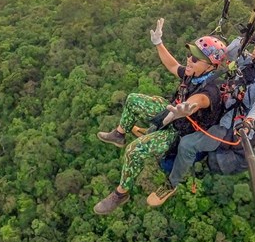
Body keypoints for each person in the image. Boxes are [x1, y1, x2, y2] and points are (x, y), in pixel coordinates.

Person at [93, 18, 227, 215]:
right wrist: (159, 44)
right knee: (132, 99)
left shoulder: (211, 89)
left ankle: (121, 193)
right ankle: (118, 134)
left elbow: (200, 100)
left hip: (178, 131)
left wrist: (187, 109)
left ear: (211, 66)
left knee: (134, 151)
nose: (189, 60)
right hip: (171, 111)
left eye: (196, 59)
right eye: (190, 55)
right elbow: (173, 66)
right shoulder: (193, 73)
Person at [146, 29, 255, 207]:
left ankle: (172, 183)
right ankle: (152, 133)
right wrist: (247, 38)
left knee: (187, 144)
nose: (254, 49)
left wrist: (250, 122)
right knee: (178, 110)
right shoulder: (250, 64)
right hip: (220, 105)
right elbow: (228, 53)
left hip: (227, 125)